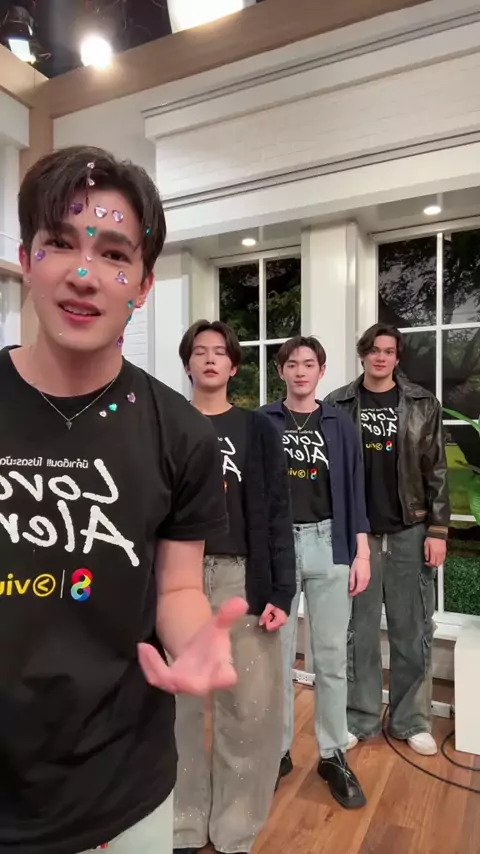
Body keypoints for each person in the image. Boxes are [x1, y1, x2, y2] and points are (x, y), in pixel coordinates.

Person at [0, 146, 248, 854]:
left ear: (142, 283)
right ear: (26, 258)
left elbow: (177, 587)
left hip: (122, 785)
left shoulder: (182, 433)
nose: (84, 274)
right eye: (60, 243)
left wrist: (195, 639)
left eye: (113, 254)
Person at [174, 319, 296, 854]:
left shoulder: (257, 428)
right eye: (199, 351)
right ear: (187, 363)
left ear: (233, 365)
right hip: (177, 577)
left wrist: (281, 591)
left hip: (241, 576)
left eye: (219, 352)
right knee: (177, 709)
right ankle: (181, 821)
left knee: (247, 709)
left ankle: (234, 828)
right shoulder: (168, 422)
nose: (209, 359)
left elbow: (277, 511)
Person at [325, 323, 450, 757]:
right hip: (358, 535)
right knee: (357, 631)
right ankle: (359, 718)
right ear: (363, 354)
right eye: (374, 350)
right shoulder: (337, 403)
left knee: (411, 629)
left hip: (409, 530)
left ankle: (411, 720)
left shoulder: (422, 403)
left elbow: (436, 469)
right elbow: (329, 473)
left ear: (397, 357)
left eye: (389, 351)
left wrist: (438, 529)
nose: (381, 357)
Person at [261, 335, 370, 810]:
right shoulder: (263, 422)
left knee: (330, 658)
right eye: (293, 364)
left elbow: (356, 489)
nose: (301, 371)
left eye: (309, 364)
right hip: (278, 549)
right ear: (281, 371)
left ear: (321, 371)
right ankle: (277, 751)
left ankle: (332, 754)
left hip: (330, 544)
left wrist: (361, 553)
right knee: (276, 659)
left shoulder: (340, 423)